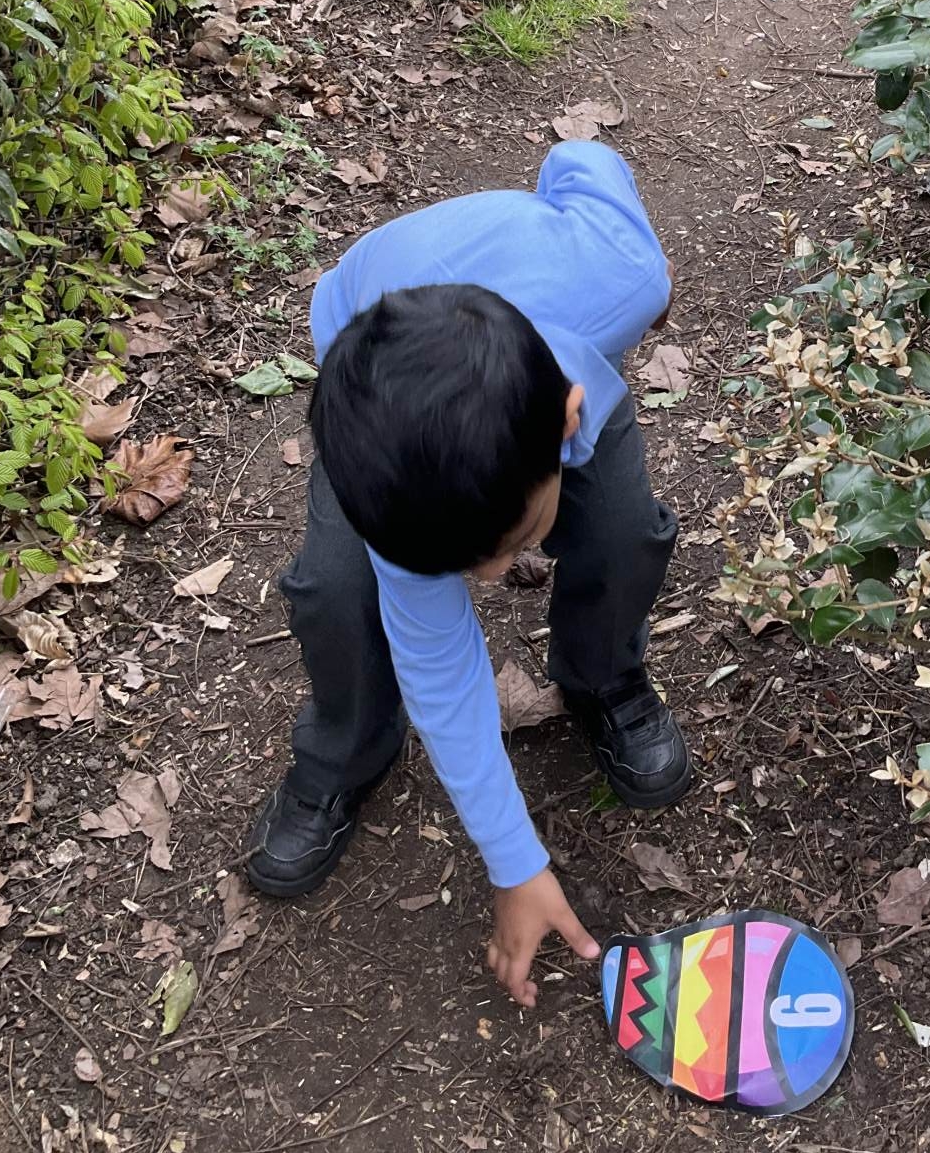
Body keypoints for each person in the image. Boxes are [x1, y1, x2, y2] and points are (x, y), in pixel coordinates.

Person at [243, 141, 688, 1009]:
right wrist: (515, 862)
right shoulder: (402, 470)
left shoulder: (623, 274)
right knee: (336, 589)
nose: (490, 581)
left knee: (622, 531)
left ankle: (602, 678)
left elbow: (582, 157)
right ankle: (348, 748)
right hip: (375, 374)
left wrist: (654, 266)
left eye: (508, 544)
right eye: (466, 563)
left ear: (567, 422)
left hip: (542, 340)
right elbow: (443, 673)